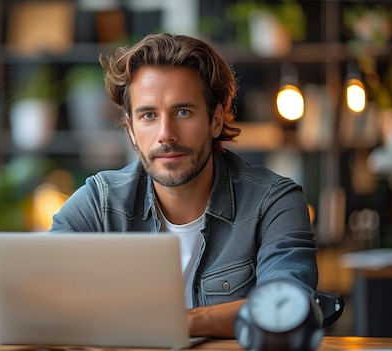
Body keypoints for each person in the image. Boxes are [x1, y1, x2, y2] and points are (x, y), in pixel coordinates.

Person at [50, 33, 318, 338]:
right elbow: (41, 297)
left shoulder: (273, 202)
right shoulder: (99, 203)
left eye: (183, 112)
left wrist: (181, 322)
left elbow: (290, 306)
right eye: (149, 115)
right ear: (131, 131)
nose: (166, 134)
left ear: (216, 120)